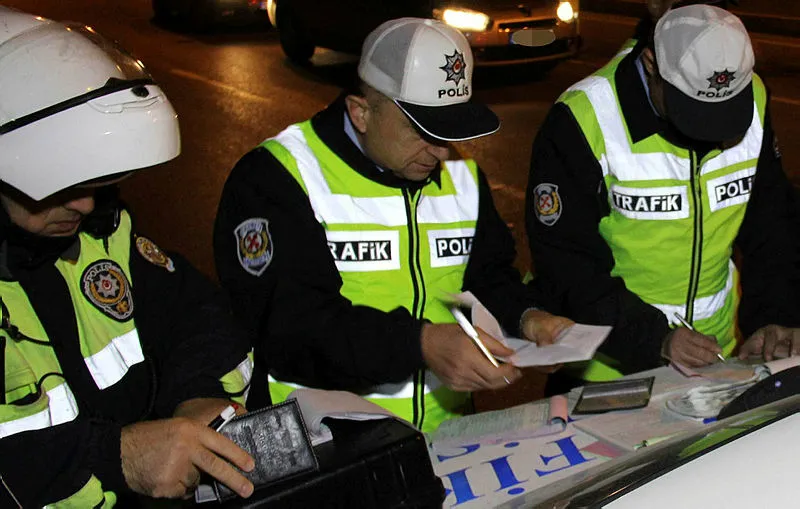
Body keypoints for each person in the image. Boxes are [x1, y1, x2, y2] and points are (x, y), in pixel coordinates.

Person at [214, 17, 572, 432]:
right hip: (325, 442)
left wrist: (527, 317)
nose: (441, 153)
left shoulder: (463, 177)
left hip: (443, 438)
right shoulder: (278, 178)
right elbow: (293, 326)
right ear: (361, 112)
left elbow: (486, 279)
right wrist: (420, 344)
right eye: (423, 131)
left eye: (449, 131)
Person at [0, 7, 256, 507]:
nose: (84, 205)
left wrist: (196, 393)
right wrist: (115, 456)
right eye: (61, 185)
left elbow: (195, 312)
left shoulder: (101, 233)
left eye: (93, 182)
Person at [525, 4, 800, 393]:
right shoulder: (584, 118)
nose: (709, 135)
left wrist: (774, 317)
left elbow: (771, 223)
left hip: (717, 364)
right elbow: (565, 260)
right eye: (694, 111)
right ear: (651, 64)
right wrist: (655, 338)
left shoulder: (751, 95)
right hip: (605, 375)